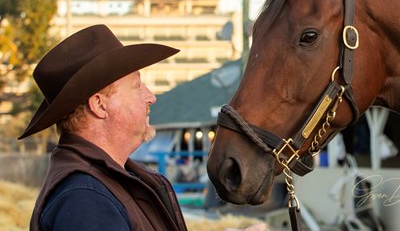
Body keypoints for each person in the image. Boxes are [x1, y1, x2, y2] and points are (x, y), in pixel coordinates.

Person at [18, 24, 267, 231]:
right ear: (99, 105)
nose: (151, 96)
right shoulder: (85, 199)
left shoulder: (104, 182)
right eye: (137, 86)